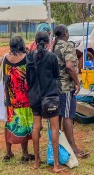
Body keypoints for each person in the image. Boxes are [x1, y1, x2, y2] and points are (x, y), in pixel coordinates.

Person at [26, 32, 65, 172]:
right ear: (48, 42)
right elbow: (56, 75)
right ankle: (56, 165)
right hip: (50, 96)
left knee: (36, 127)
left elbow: (28, 77)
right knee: (54, 128)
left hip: (35, 96)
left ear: (35, 42)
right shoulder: (52, 57)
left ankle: (37, 161)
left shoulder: (29, 57)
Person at [52, 24, 89, 159]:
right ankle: (73, 147)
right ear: (66, 33)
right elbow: (69, 66)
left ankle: (61, 146)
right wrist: (77, 82)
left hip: (54, 87)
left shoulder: (53, 46)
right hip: (66, 87)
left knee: (59, 117)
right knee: (68, 116)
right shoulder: (67, 46)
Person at [2, 36, 33, 163]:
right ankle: (25, 155)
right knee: (23, 125)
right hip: (24, 98)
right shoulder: (26, 58)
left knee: (9, 124)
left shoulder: (5, 58)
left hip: (10, 98)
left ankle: (8, 153)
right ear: (22, 45)